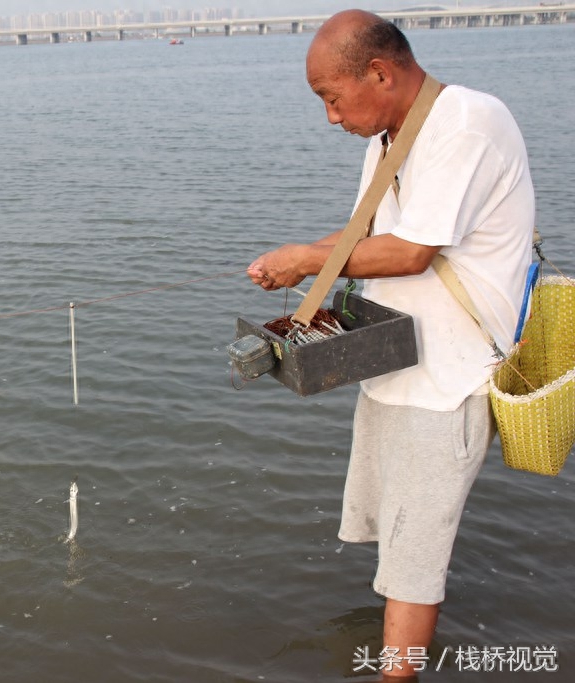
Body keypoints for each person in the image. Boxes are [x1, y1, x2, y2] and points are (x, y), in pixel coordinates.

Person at [246, 9, 535, 680]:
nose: (331, 117)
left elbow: (407, 252)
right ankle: (393, 653)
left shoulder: (464, 122)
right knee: (399, 531)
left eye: (332, 97)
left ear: (381, 72)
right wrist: (291, 262)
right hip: (398, 360)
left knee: (416, 549)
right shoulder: (390, 137)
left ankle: (396, 674)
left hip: (451, 376)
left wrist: (304, 262)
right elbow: (358, 239)